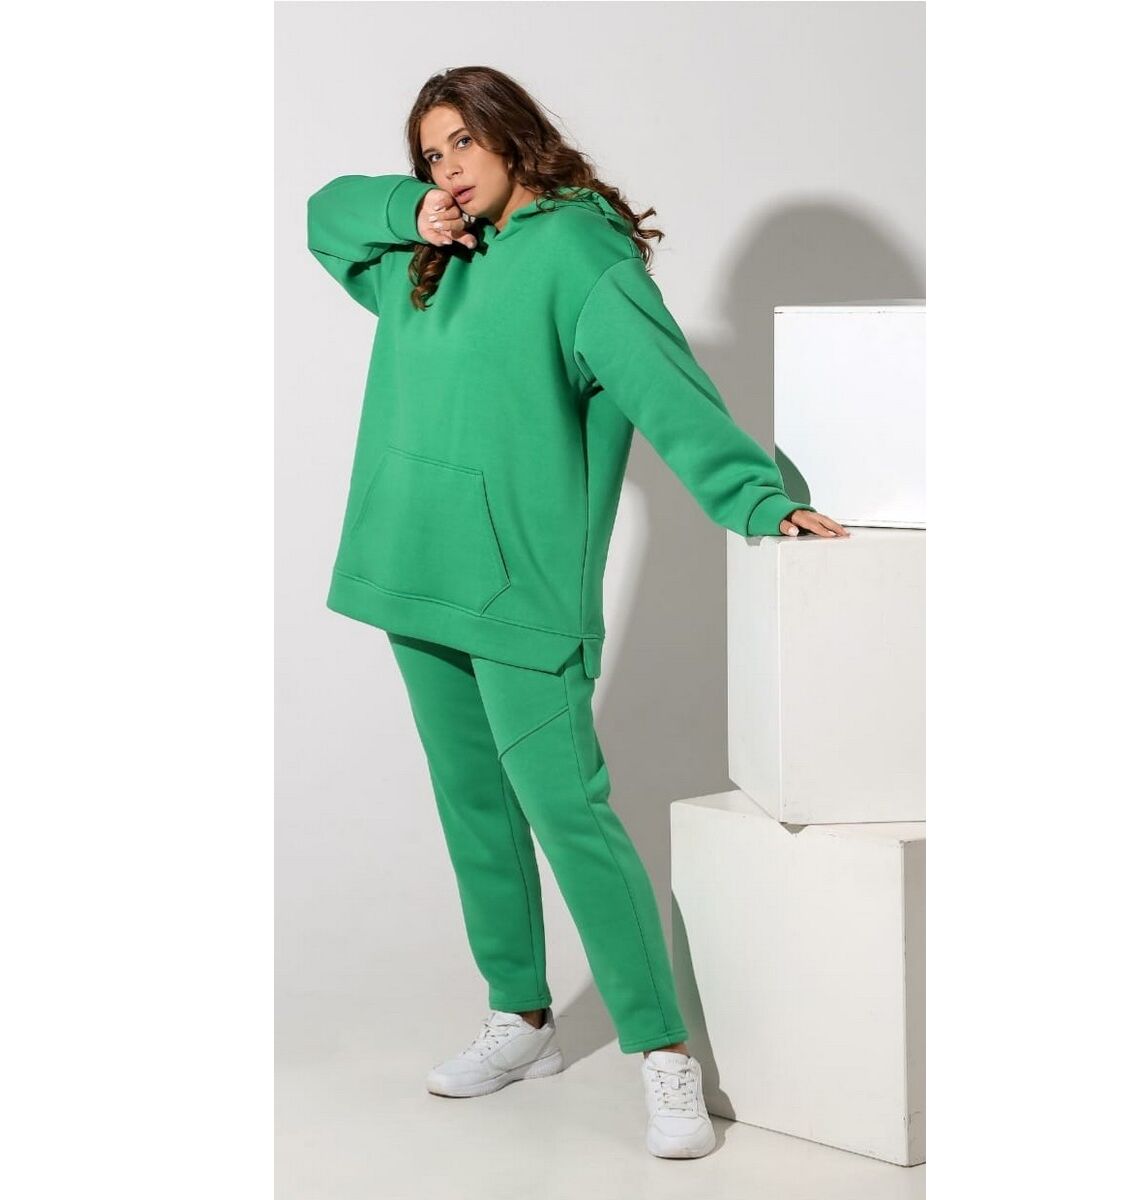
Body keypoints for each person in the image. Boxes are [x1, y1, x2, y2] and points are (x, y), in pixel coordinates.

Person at [306, 65, 849, 1161]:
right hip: (412, 565)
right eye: (431, 153)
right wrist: (413, 210)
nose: (448, 167)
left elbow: (666, 388)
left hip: (521, 589)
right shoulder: (423, 250)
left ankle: (663, 1052)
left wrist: (755, 498)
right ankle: (522, 1019)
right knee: (474, 807)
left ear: (513, 134)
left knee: (570, 817)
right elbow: (325, 215)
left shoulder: (580, 257)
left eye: (463, 143)